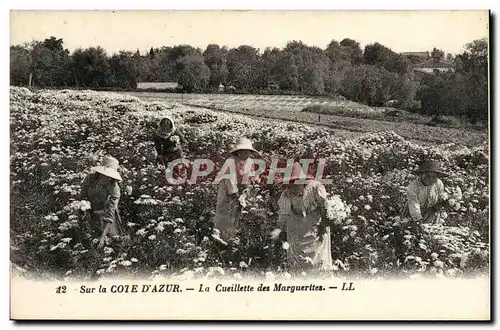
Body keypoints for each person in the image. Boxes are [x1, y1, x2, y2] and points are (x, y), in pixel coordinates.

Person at [270, 162, 333, 271]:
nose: (292, 187)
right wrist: (278, 229)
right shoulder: (286, 194)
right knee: (298, 261)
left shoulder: (315, 189)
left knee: (318, 260)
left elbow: (325, 208)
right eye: (289, 184)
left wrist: (324, 224)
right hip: (296, 228)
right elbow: (283, 215)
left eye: (295, 183)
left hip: (315, 226)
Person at [394, 160, 448, 262]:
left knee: (430, 235)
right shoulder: (413, 186)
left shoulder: (439, 183)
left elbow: (441, 197)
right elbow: (414, 205)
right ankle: (406, 255)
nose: (431, 179)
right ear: (421, 175)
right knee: (410, 234)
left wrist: (442, 205)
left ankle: (428, 255)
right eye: (427, 175)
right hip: (413, 212)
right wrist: (418, 221)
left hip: (432, 212)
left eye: (434, 176)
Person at [213, 138, 260, 252]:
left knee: (237, 212)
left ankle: (232, 239)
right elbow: (229, 179)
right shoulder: (231, 161)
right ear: (237, 152)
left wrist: (249, 187)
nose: (245, 153)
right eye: (243, 151)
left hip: (239, 189)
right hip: (226, 189)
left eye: (248, 151)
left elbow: (251, 177)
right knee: (225, 212)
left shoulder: (250, 162)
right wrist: (236, 194)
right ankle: (220, 239)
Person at [81, 155, 124, 248]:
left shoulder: (114, 188)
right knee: (86, 239)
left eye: (111, 177)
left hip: (105, 213)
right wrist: (85, 210)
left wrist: (103, 236)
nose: (109, 179)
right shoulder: (89, 179)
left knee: (112, 241)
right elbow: (82, 196)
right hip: (88, 211)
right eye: (106, 175)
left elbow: (110, 212)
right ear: (100, 173)